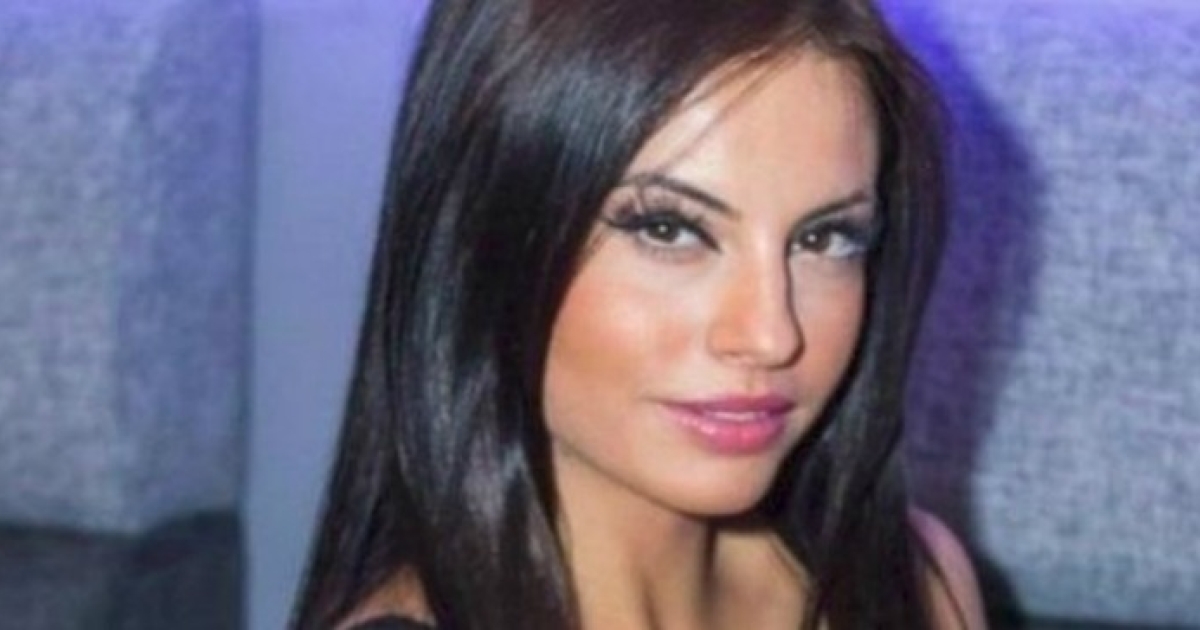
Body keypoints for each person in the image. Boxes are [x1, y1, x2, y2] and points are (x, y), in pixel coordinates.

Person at [295, 0, 987, 628]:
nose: (770, 335)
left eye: (824, 238)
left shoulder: (915, 584)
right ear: (482, 239)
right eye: (668, 229)